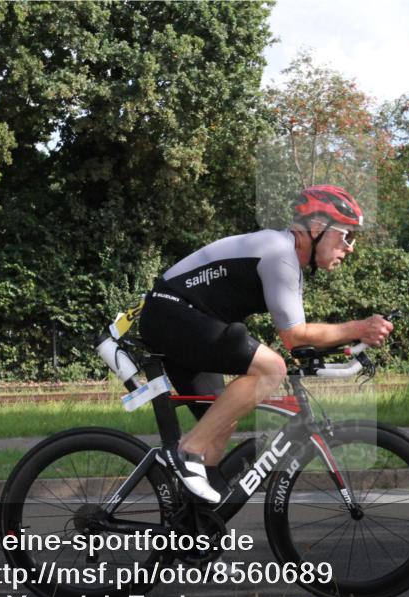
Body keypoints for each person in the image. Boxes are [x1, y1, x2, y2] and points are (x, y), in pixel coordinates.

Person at [137, 185, 394, 503]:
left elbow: (299, 340)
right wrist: (358, 327)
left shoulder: (289, 259)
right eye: (347, 236)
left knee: (220, 423)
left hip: (187, 320)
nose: (350, 247)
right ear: (316, 228)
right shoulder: (280, 253)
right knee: (270, 369)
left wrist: (350, 340)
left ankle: (195, 528)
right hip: (172, 313)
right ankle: (185, 454)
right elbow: (295, 336)